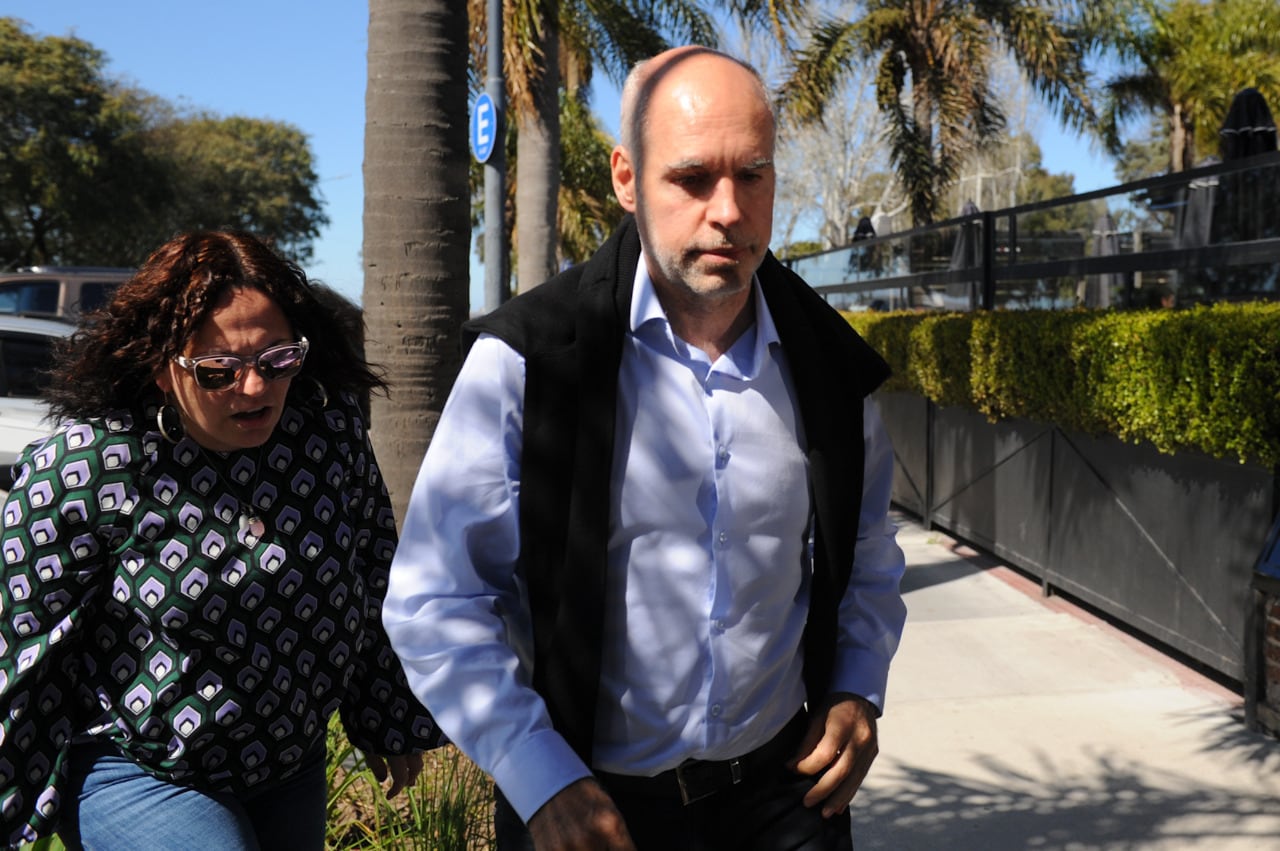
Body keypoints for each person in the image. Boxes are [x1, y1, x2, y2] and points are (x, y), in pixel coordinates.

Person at [384, 46, 907, 850]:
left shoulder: (828, 367)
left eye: (753, 176)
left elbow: (868, 552)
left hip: (786, 799)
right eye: (693, 179)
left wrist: (856, 688)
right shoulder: (532, 360)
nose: (728, 210)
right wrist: (538, 775)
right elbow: (436, 597)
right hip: (592, 812)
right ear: (628, 179)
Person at [0, 231, 440, 849]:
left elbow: (370, 570)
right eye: (218, 371)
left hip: (290, 762)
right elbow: (26, 651)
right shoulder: (86, 468)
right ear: (161, 367)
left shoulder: (328, 431)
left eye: (278, 360)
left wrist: (386, 714)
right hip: (139, 765)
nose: (256, 388)